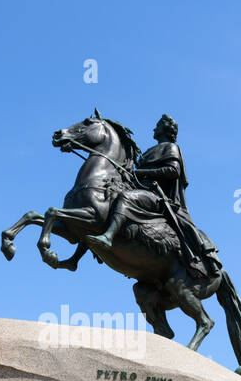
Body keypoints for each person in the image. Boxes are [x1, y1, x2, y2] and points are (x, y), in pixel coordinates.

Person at [83, 114, 222, 279]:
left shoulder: (170, 147)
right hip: (142, 192)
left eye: (157, 126)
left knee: (125, 198)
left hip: (157, 197)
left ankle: (108, 236)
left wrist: (141, 172)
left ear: (164, 129)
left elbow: (173, 171)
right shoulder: (149, 151)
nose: (153, 129)